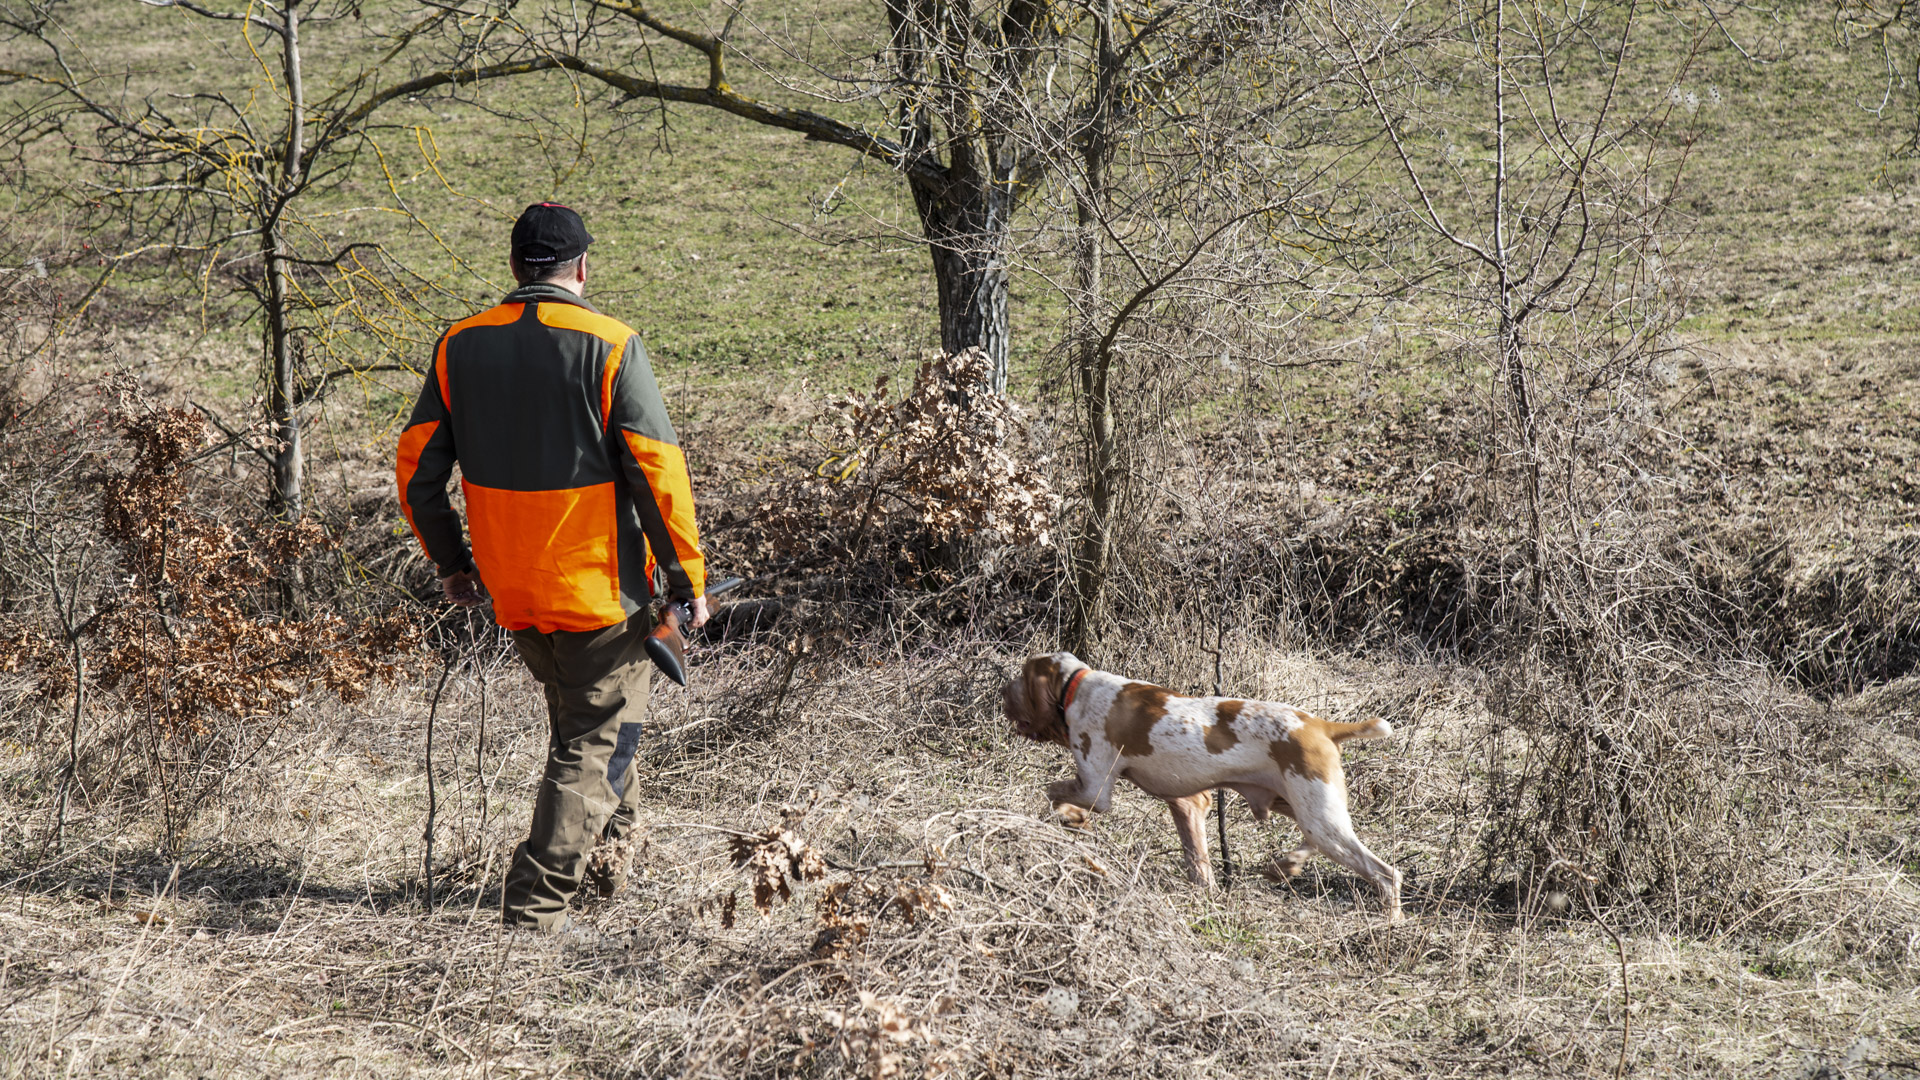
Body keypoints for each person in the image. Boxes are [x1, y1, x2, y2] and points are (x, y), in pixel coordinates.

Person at [395, 202, 708, 931]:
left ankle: (611, 862)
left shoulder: (458, 346)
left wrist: (452, 561)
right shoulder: (612, 344)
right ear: (582, 269)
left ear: (513, 269)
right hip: (599, 596)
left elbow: (416, 473)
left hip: (513, 593)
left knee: (589, 728)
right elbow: (656, 474)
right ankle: (533, 912)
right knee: (593, 746)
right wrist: (686, 578)